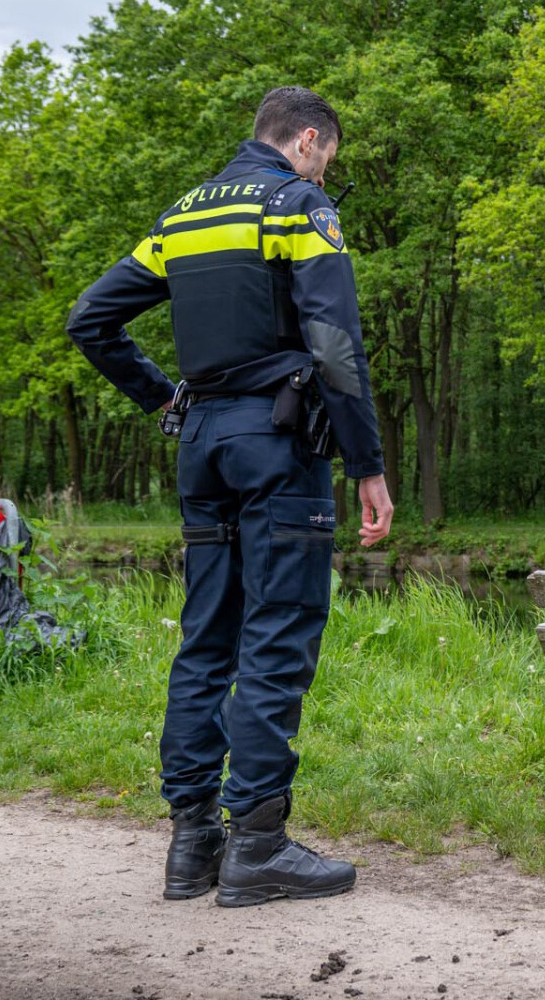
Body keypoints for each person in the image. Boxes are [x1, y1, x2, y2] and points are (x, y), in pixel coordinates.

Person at [65, 86, 394, 907]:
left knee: (206, 638)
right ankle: (258, 845)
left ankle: (192, 845)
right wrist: (367, 462)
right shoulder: (296, 206)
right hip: (276, 445)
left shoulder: (183, 216)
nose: (326, 173)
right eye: (328, 159)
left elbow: (91, 320)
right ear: (307, 140)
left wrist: (162, 398)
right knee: (277, 635)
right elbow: (333, 343)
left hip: (202, 446)